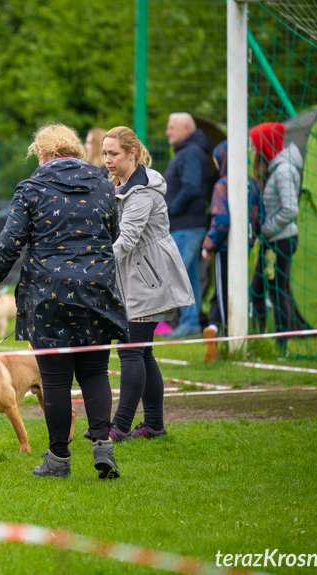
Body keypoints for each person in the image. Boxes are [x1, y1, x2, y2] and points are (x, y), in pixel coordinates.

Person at [0, 123, 126, 480]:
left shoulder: (32, 187)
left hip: (49, 292)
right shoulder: (104, 183)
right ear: (74, 150)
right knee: (95, 372)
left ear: (42, 155)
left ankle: (58, 459)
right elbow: (115, 233)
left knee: (55, 380)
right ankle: (102, 446)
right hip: (96, 288)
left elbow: (9, 241)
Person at [102, 126, 194, 440]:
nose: (108, 160)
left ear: (133, 154)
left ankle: (120, 427)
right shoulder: (121, 183)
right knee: (143, 351)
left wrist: (93, 265)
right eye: (105, 154)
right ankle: (154, 425)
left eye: (114, 154)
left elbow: (126, 240)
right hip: (136, 273)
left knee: (131, 351)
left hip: (148, 276)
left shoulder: (141, 189)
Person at [200, 141, 262, 362]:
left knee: (221, 290)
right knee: (235, 290)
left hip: (225, 248)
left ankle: (222, 336)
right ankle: (219, 329)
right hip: (245, 247)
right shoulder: (252, 184)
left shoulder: (222, 185)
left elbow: (221, 220)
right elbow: (259, 217)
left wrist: (208, 246)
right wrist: (252, 238)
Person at [248, 122, 303, 346]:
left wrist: (266, 229)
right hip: (273, 240)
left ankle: (281, 343)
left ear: (265, 145)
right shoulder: (275, 168)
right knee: (259, 291)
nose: (252, 150)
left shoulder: (283, 171)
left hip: (282, 240)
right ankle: (262, 338)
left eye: (255, 145)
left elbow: (291, 209)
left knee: (276, 291)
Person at [163, 112, 212, 338]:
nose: (167, 132)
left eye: (171, 127)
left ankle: (191, 321)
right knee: (189, 275)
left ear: (185, 130)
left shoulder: (191, 153)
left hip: (187, 224)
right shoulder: (188, 152)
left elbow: (191, 187)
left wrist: (169, 208)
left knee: (178, 273)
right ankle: (191, 323)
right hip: (185, 224)